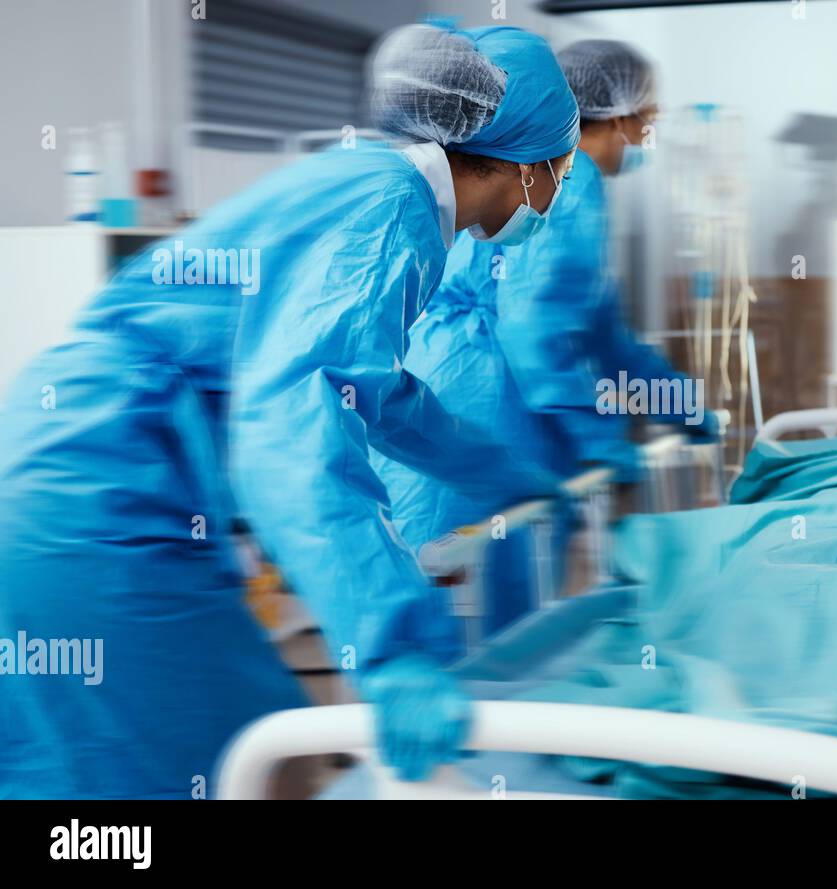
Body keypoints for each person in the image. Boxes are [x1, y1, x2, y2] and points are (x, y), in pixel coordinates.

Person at [0, 22, 579, 798]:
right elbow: (294, 418)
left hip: (78, 468)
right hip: (100, 500)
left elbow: (372, 392)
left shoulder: (378, 186)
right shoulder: (392, 210)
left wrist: (499, 466)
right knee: (195, 777)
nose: (560, 191)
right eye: (563, 168)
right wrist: (392, 646)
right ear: (531, 165)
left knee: (236, 761)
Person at [373, 39, 713, 635]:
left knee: (507, 606)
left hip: (471, 387)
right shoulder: (567, 186)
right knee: (486, 620)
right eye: (650, 116)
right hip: (482, 397)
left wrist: (675, 398)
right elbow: (534, 328)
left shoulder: (573, 189)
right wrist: (592, 432)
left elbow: (600, 331)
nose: (652, 131)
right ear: (620, 116)